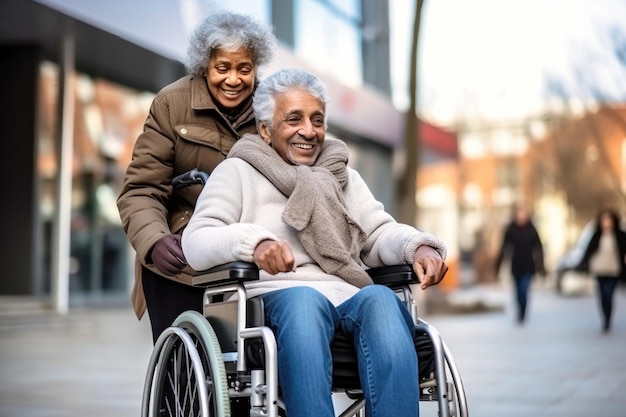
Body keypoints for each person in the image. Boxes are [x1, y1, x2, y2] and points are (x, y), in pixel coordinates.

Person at [182, 68, 449, 417]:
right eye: (294, 119)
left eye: (317, 120)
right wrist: (255, 244)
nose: (308, 131)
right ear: (265, 129)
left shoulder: (343, 177)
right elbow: (198, 239)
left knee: (382, 299)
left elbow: (378, 232)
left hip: (348, 297)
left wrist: (417, 247)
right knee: (305, 301)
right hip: (276, 303)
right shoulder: (237, 172)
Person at [116, 11, 277, 342]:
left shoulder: (272, 109)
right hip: (181, 258)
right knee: (186, 369)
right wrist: (154, 240)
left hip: (247, 256)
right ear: (205, 65)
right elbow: (141, 190)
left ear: (255, 67)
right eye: (223, 68)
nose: (233, 79)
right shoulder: (172, 104)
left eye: (244, 69)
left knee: (255, 366)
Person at [578, 209, 626, 333]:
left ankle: (608, 318)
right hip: (599, 269)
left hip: (614, 269)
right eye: (604, 219)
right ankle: (605, 319)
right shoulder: (597, 235)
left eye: (608, 219)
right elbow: (588, 251)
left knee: (609, 293)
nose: (606, 222)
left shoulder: (619, 235)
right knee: (602, 295)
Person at [495, 205, 545, 324]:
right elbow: (504, 248)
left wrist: (541, 266)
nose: (521, 217)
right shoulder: (511, 230)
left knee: (524, 289)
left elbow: (539, 248)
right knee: (517, 291)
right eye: (519, 214)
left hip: (528, 265)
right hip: (516, 265)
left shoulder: (532, 230)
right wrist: (498, 266)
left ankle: (523, 312)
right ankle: (519, 311)